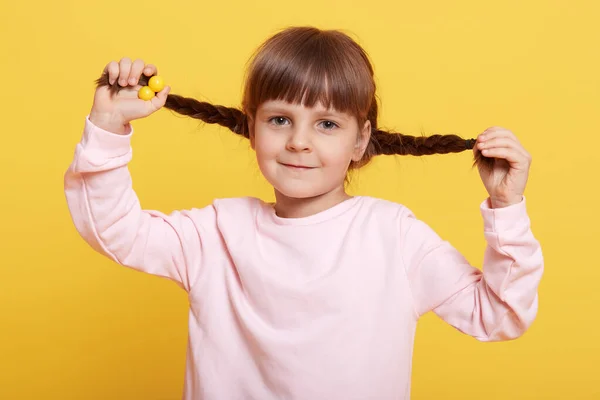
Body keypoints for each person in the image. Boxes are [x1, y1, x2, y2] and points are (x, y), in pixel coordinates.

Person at [64, 26, 544, 400]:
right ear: (251, 129)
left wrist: (506, 208)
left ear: (360, 140)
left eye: (327, 124)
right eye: (279, 120)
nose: (298, 140)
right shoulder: (216, 233)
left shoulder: (393, 236)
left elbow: (498, 314)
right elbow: (115, 231)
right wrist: (108, 125)